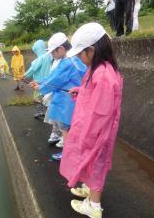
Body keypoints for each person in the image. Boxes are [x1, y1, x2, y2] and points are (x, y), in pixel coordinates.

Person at [60, 23, 123, 218]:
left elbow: (100, 114)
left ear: (92, 50)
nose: (79, 58)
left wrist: (86, 138)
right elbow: (94, 95)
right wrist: (79, 91)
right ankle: (89, 190)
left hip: (96, 133)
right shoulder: (100, 69)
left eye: (80, 54)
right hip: (94, 131)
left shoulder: (103, 74)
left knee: (95, 164)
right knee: (93, 164)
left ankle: (94, 206)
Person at [29, 33, 87, 157]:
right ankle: (71, 152)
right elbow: (53, 75)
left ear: (60, 49)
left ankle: (67, 155)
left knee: (65, 127)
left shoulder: (67, 62)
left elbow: (55, 78)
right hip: (73, 98)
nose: (51, 55)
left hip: (66, 101)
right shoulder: (74, 59)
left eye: (53, 52)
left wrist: (40, 87)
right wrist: (40, 81)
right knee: (69, 127)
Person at [24, 40, 52, 119]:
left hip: (38, 83)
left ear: (37, 49)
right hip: (47, 82)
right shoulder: (49, 56)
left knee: (37, 99)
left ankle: (42, 113)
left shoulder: (40, 58)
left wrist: (25, 75)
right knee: (46, 98)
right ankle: (46, 113)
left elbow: (33, 69)